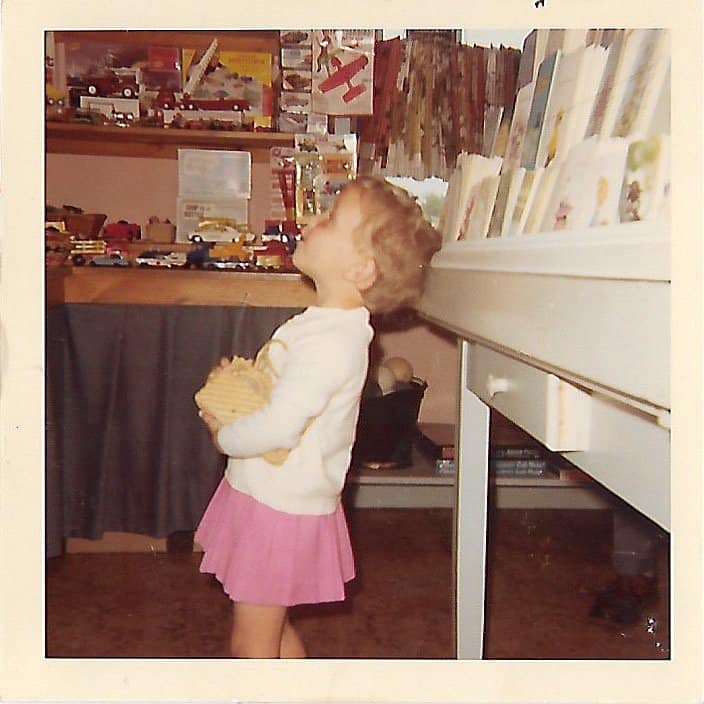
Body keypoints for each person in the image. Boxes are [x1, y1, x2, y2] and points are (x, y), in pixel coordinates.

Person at [196, 175, 442, 658]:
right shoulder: (325, 327)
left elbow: (283, 423)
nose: (313, 221)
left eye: (330, 219)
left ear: (361, 270)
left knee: (252, 643)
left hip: (278, 507)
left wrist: (226, 434)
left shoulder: (333, 341)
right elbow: (285, 396)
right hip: (270, 494)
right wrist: (243, 387)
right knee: (270, 628)